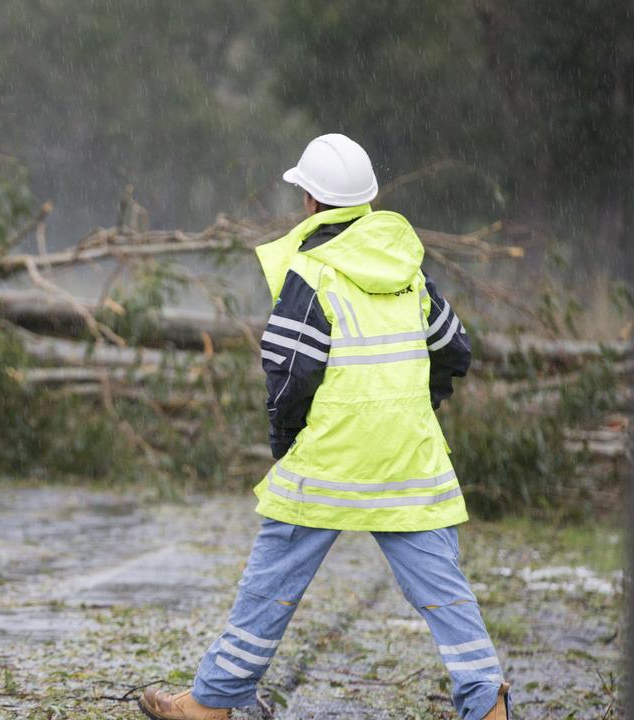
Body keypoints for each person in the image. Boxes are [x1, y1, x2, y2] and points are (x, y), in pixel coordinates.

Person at [136, 134, 510, 720]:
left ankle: (213, 702)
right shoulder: (409, 270)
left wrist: (285, 443)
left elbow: (288, 376)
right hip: (408, 461)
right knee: (444, 592)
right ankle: (488, 706)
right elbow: (455, 349)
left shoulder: (311, 274)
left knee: (269, 584)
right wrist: (417, 406)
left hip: (329, 462)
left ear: (309, 200)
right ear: (368, 200)